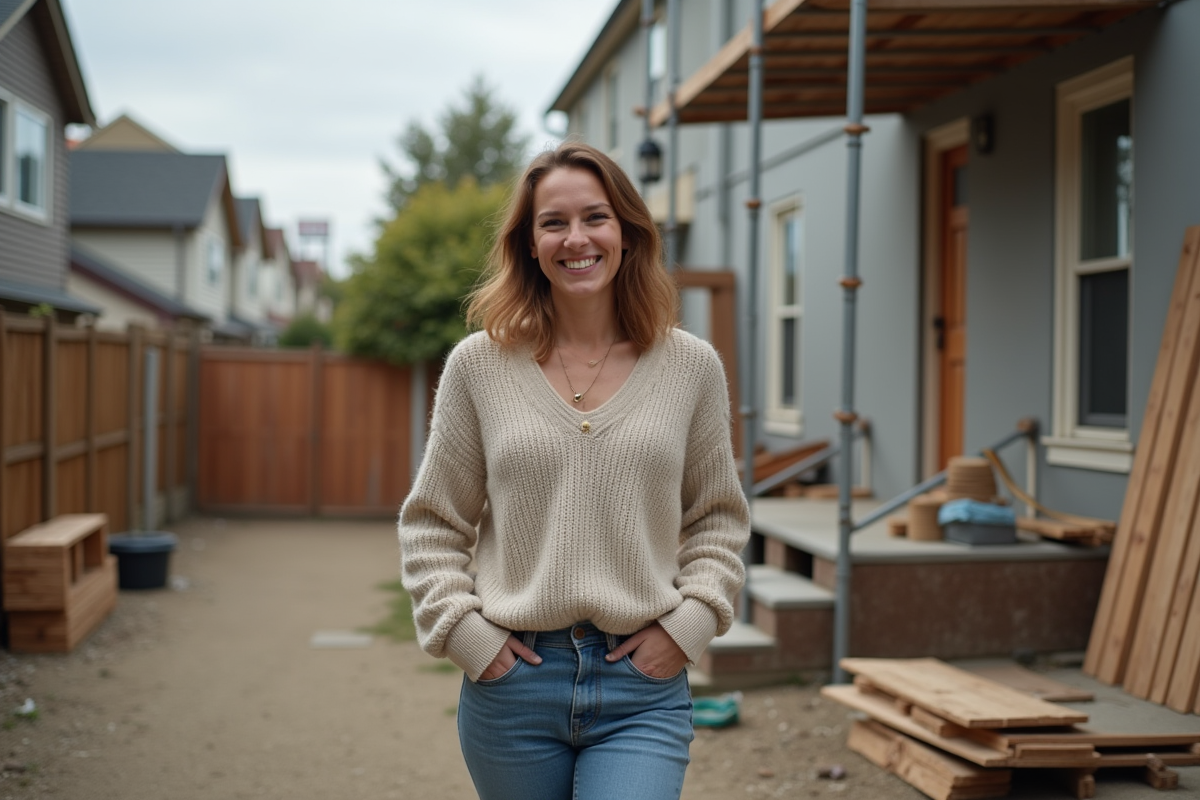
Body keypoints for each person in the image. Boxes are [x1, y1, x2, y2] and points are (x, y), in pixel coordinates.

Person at [397, 140, 750, 800]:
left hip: (641, 687)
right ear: (529, 243)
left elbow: (717, 522)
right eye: (553, 222)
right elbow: (431, 526)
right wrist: (468, 636)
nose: (576, 238)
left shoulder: (691, 368)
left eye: (595, 217)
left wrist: (689, 626)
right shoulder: (479, 367)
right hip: (513, 688)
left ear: (627, 232)